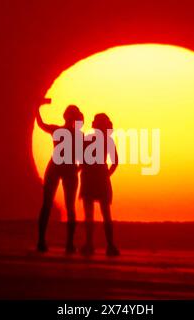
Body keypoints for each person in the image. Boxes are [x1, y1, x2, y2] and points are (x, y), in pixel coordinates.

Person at [36, 98, 84, 254]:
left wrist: (36, 108)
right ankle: (67, 244)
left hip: (58, 167)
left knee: (48, 205)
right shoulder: (79, 136)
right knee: (67, 207)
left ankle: (43, 241)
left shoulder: (59, 131)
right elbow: (85, 158)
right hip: (66, 169)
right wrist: (78, 168)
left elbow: (41, 124)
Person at [79, 113, 120, 257]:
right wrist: (106, 174)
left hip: (89, 176)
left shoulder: (87, 140)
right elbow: (115, 162)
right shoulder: (108, 141)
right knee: (105, 213)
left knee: (89, 213)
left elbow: (80, 159)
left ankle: (90, 244)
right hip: (100, 176)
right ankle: (110, 245)